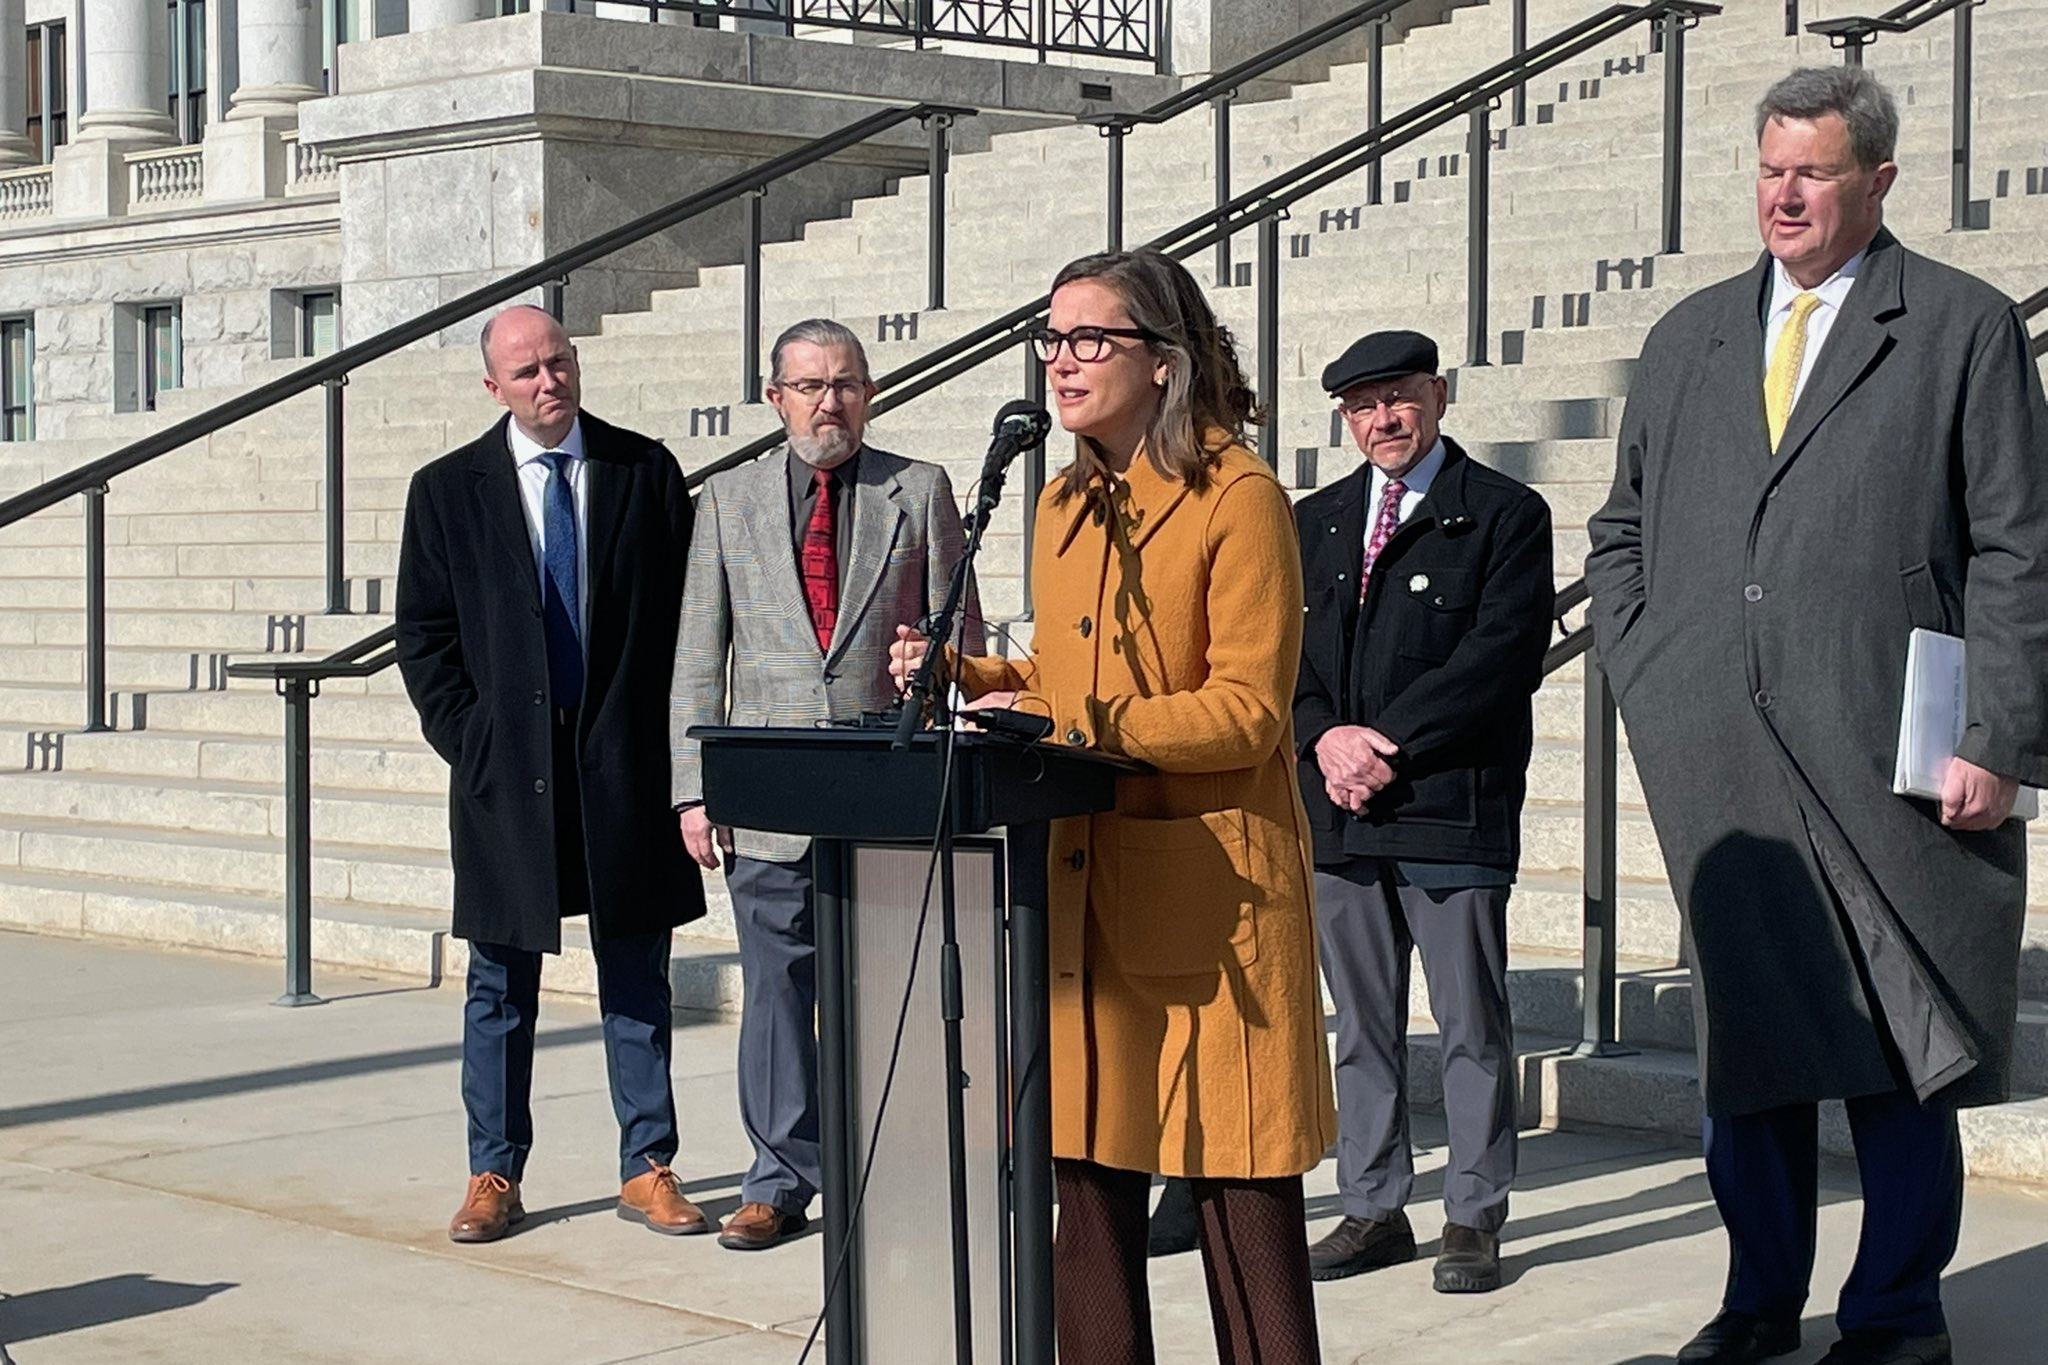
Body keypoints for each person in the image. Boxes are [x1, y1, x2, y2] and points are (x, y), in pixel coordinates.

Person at [1585, 66, 2048, 1365]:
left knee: (1905, 1044)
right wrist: (1650, 667)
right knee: (1755, 1048)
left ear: (1880, 182)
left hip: (1892, 743)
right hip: (1721, 749)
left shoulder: (1960, 326)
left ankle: (1898, 1311)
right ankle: (1757, 1301)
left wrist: (1999, 737)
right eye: (1770, 169)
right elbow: (1621, 527)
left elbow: (2021, 545)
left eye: (1814, 173)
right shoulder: (1689, 336)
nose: (1783, 196)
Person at [892, 250, 1336, 1365]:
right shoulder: (1057, 502)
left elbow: (1242, 710)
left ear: (1165, 360)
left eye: (1092, 337)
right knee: (1085, 1204)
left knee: (1242, 1219)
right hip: (1078, 894)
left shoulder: (1239, 498)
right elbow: (1065, 678)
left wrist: (1075, 718)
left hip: (1210, 906)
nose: (1062, 360)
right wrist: (973, 677)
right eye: (1051, 337)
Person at [395, 304, 708, 1244]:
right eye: (527, 370)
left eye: (560, 362)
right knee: (498, 982)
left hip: (621, 765)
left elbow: (689, 624)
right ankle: (494, 1169)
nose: (549, 382)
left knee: (638, 973)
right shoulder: (448, 490)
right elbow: (425, 637)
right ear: (493, 386)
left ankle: (647, 1164)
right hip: (508, 772)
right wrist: (474, 739)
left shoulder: (642, 470)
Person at [669, 317, 977, 1251]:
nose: (827, 402)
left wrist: (941, 657)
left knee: (894, 984)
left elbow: (965, 628)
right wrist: (693, 788)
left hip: (884, 784)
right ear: (776, 398)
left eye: (844, 383)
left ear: (869, 392)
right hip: (767, 793)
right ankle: (778, 1175)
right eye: (808, 385)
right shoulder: (726, 500)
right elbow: (696, 654)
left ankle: (898, 1158)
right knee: (774, 993)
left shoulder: (916, 491)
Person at [1293, 329, 1553, 1293]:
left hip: (1450, 807)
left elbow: (1497, 657)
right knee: (1360, 1022)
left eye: (1397, 398)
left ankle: (1474, 1212)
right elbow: (1284, 660)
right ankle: (1371, 1204)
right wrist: (1326, 740)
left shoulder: (1503, 513)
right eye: (1361, 407)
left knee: (1469, 1020)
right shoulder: (1311, 519)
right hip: (1340, 814)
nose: (1381, 420)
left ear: (1438, 395)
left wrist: (1378, 745)